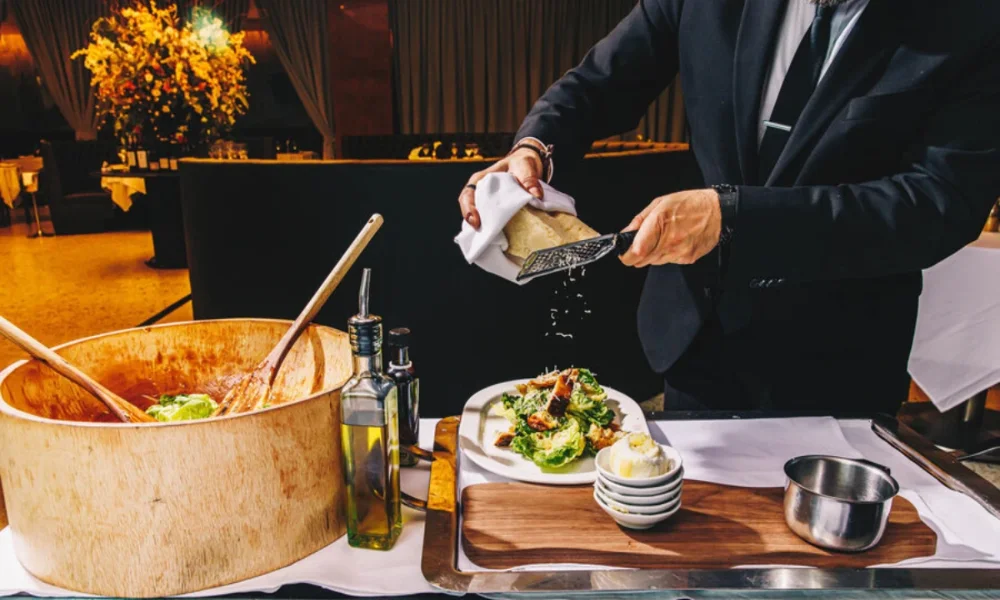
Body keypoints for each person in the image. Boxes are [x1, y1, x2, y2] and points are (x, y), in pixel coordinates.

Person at [457, 0, 1000, 415]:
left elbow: (940, 202)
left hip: (842, 358)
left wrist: (735, 220)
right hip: (698, 337)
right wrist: (535, 147)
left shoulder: (971, 21)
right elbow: (602, 82)